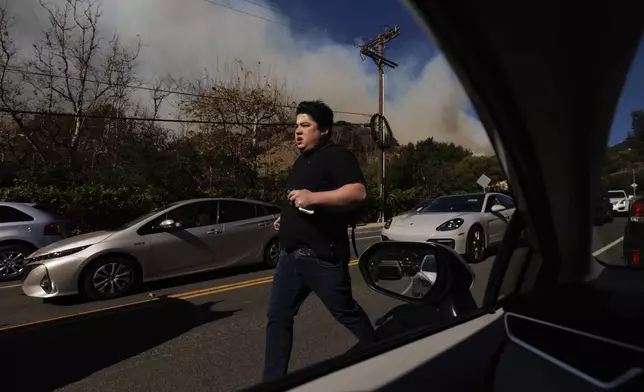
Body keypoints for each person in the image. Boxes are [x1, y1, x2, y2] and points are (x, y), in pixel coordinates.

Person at [262, 100, 376, 382]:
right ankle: (272, 382)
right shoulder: (301, 161)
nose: (297, 132)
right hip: (290, 257)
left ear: (323, 130)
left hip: (321, 256)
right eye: (296, 126)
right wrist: (285, 218)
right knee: (278, 318)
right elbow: (300, 200)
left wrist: (314, 197)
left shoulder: (337, 156)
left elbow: (358, 192)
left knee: (346, 312)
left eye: (305, 125)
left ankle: (382, 349)